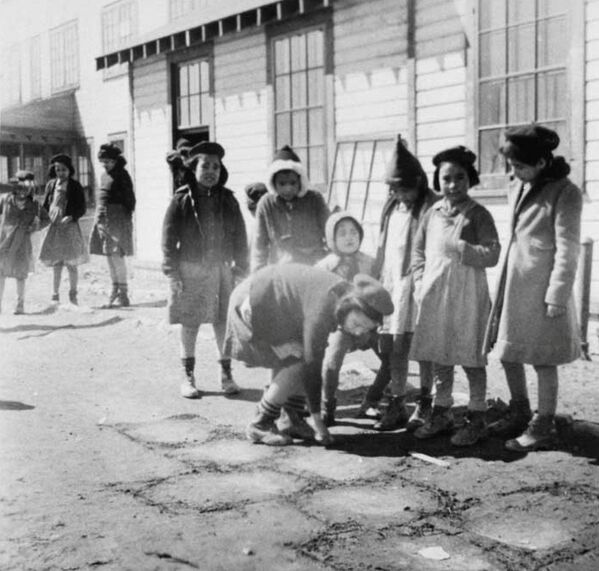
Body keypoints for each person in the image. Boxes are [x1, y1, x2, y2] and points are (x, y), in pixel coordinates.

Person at [484, 125, 583, 452]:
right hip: (513, 286)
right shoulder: (518, 186)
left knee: (543, 359)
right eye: (511, 165)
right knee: (507, 351)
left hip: (542, 290)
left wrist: (557, 294)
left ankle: (543, 424)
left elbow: (568, 248)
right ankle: (519, 409)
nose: (513, 171)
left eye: (520, 166)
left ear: (541, 162)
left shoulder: (565, 192)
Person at [224, 264, 393, 446]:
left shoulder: (341, 297)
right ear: (351, 305)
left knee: (297, 355)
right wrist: (317, 420)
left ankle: (291, 418)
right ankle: (261, 423)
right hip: (254, 302)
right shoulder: (323, 307)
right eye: (357, 323)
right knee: (299, 362)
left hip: (277, 308)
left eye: (365, 329)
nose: (358, 332)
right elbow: (312, 364)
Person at [411, 146, 500, 446]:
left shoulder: (478, 215)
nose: (452, 185)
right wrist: (420, 282)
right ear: (438, 180)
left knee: (470, 356)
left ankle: (477, 417)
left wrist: (464, 248)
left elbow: (493, 253)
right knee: (440, 354)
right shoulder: (431, 214)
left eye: (459, 178)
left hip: (468, 296)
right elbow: (418, 252)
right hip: (435, 295)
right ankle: (442, 411)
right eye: (446, 178)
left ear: (470, 179)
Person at [357, 136, 438, 432]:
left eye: (405, 188)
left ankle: (426, 401)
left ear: (419, 182)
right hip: (393, 284)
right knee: (395, 349)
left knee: (423, 346)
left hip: (418, 285)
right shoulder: (391, 208)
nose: (400, 194)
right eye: (394, 189)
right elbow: (382, 246)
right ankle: (397, 400)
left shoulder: (432, 207)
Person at [162, 141, 248, 399]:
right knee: (191, 323)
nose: (211, 171)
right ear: (193, 168)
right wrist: (172, 272)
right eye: (205, 166)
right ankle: (188, 376)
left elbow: (241, 237)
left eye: (216, 166)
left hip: (222, 270)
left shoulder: (228, 200)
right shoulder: (181, 199)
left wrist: (240, 268)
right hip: (190, 270)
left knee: (223, 322)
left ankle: (226, 373)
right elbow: (168, 239)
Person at [316, 212, 376, 425]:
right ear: (331, 238)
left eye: (353, 232)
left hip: (370, 323)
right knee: (331, 364)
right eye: (341, 233)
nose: (349, 237)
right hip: (340, 325)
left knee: (392, 359)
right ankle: (327, 405)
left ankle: (373, 400)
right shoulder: (324, 267)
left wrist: (371, 321)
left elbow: (379, 292)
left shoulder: (370, 262)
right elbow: (319, 300)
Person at [250, 145, 329, 272]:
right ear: (273, 183)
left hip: (314, 268)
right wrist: (257, 275)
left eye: (293, 183)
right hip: (281, 271)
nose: (288, 189)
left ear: (300, 180)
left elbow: (330, 232)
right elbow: (259, 246)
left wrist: (331, 262)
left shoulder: (315, 199)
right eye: (282, 183)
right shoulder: (266, 204)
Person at [89, 143, 136, 307]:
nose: (106, 164)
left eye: (109, 161)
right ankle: (114, 289)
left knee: (117, 255)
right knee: (108, 256)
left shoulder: (123, 175)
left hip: (118, 218)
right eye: (103, 161)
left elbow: (130, 199)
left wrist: (125, 216)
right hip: (103, 217)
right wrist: (99, 215)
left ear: (116, 160)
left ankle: (123, 294)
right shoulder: (104, 176)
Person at [39, 154, 88, 305]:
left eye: (64, 170)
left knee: (71, 262)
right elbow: (46, 205)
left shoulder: (75, 186)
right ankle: (55, 294)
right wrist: (42, 218)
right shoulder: (51, 185)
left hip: (69, 226)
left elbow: (82, 207)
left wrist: (72, 216)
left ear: (70, 170)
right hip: (54, 227)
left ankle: (73, 294)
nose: (61, 173)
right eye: (58, 170)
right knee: (57, 262)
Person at [0, 170, 50, 314]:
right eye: (20, 189)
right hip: (4, 241)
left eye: (27, 190)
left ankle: (20, 304)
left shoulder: (35, 205)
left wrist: (35, 227)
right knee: (1, 273)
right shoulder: (4, 200)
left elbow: (46, 219)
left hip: (22, 243)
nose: (23, 193)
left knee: (20, 274)